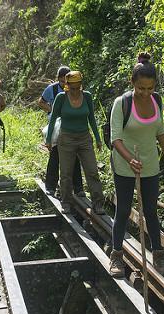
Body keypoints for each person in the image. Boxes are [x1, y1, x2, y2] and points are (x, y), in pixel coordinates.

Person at [109, 52, 164, 278]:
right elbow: (115, 138)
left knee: (151, 211)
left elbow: (161, 131)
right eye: (141, 89)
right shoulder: (122, 103)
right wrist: (130, 159)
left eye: (150, 88)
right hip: (125, 164)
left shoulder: (157, 100)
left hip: (149, 165)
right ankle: (116, 255)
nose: (146, 93)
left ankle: (158, 254)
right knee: (124, 210)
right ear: (132, 83)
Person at [46, 71, 104, 214]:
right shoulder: (61, 98)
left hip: (84, 138)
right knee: (66, 173)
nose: (76, 90)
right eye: (73, 87)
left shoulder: (87, 96)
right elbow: (53, 118)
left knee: (92, 172)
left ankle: (98, 203)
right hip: (66, 139)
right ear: (67, 86)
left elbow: (91, 118)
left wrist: (97, 138)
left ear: (81, 85)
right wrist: (48, 140)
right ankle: (66, 202)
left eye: (78, 87)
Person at [38, 66, 85, 197]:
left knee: (75, 157)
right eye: (62, 81)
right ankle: (51, 187)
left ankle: (79, 188)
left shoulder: (75, 89)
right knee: (55, 157)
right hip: (57, 129)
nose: (65, 83)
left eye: (66, 81)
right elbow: (41, 102)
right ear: (58, 79)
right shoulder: (52, 89)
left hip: (72, 127)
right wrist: (51, 110)